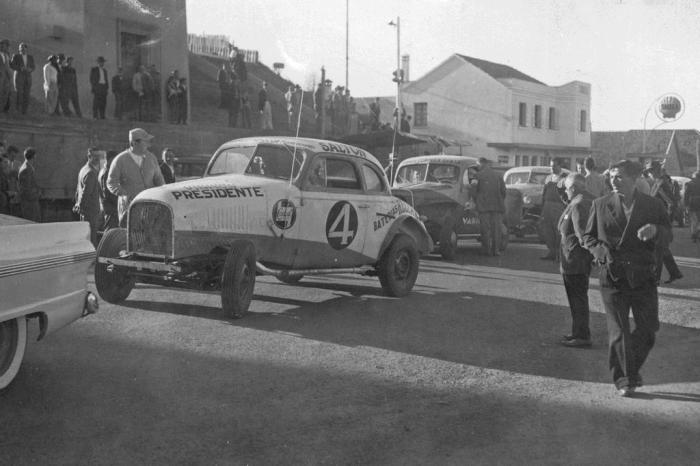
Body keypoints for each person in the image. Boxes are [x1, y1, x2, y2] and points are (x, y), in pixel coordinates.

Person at [582, 160, 671, 397]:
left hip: (643, 276)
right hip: (613, 276)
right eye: (611, 176)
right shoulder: (600, 204)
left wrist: (656, 230)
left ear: (634, 179)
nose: (613, 180)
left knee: (648, 330)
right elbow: (588, 237)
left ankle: (629, 369)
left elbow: (668, 233)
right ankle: (625, 379)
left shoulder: (653, 205)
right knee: (619, 331)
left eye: (619, 176)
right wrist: (602, 255)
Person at [557, 173, 595, 347]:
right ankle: (577, 332)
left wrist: (591, 256)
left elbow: (582, 235)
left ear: (573, 187)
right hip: (572, 258)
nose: (565, 191)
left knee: (577, 298)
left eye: (566, 188)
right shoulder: (579, 200)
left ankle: (582, 336)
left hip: (575, 259)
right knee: (576, 298)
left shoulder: (580, 204)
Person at [106, 128, 165, 227]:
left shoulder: (151, 158)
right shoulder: (120, 160)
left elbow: (159, 180)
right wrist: (123, 193)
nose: (148, 144)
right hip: (129, 208)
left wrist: (162, 195)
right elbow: (111, 182)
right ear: (133, 143)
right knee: (131, 236)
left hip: (150, 206)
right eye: (145, 141)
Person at [646, 161, 682, 284]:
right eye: (649, 171)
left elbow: (671, 203)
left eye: (651, 170)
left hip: (661, 222)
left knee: (658, 250)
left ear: (657, 170)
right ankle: (675, 273)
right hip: (657, 220)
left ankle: (655, 278)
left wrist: (668, 221)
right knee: (663, 249)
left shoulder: (661, 184)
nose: (650, 173)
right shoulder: (657, 183)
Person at [474, 157, 506, 256]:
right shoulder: (498, 175)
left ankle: (486, 250)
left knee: (485, 230)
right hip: (497, 206)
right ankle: (496, 251)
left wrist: (477, 202)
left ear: (481, 164)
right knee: (496, 230)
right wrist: (499, 200)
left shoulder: (477, 175)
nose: (477, 167)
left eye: (477, 165)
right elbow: (504, 191)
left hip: (483, 207)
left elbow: (474, 191)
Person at [539, 158, 567, 260]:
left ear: (560, 166)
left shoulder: (565, 178)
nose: (552, 168)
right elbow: (544, 194)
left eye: (554, 165)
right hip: (547, 206)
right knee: (547, 230)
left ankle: (559, 254)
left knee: (558, 230)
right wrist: (542, 208)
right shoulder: (548, 178)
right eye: (551, 166)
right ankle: (551, 251)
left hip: (558, 207)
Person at [73, 147, 102, 247]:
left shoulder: (83, 170)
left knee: (86, 237)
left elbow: (78, 191)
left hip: (85, 211)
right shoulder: (91, 173)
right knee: (91, 239)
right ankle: (93, 260)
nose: (98, 159)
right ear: (89, 157)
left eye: (99, 156)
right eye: (95, 157)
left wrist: (78, 205)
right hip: (91, 211)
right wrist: (81, 206)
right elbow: (86, 194)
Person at [17, 147, 41, 221]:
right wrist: (36, 195)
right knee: (32, 221)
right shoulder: (26, 169)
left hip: (30, 200)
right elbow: (27, 188)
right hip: (30, 202)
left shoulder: (27, 167)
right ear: (34, 156)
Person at [10, 42, 34, 115]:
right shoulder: (16, 56)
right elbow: (12, 65)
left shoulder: (30, 57)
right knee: (19, 93)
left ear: (26, 48)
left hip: (28, 77)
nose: (22, 49)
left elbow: (33, 66)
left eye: (23, 47)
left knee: (26, 94)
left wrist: (30, 69)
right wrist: (20, 68)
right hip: (19, 76)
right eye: (20, 47)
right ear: (19, 49)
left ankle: (24, 112)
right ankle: (18, 110)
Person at [99, 150, 119, 232]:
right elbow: (108, 192)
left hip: (108, 206)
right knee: (110, 231)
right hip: (111, 207)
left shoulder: (103, 170)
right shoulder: (107, 172)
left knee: (110, 230)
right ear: (111, 159)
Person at [683, 171, 700, 242]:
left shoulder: (690, 183)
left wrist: (686, 205)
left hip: (692, 203)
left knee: (694, 220)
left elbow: (686, 195)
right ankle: (697, 231)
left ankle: (694, 234)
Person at [0, 39, 13, 115]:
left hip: (6, 78)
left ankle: (1, 110)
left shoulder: (7, 55)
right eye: (1, 45)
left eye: (4, 45)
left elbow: (8, 66)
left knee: (5, 93)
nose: (3, 47)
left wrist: (9, 75)